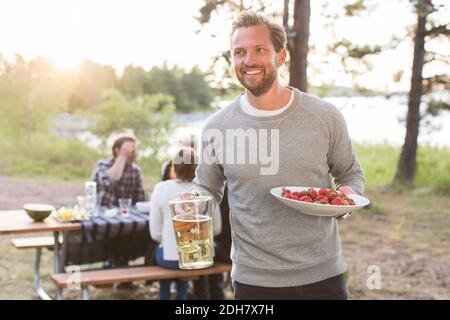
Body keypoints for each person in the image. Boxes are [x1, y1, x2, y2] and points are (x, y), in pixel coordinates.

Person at [186, 11, 365, 300]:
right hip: (253, 281)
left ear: (280, 56)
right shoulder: (217, 126)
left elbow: (350, 173)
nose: (248, 61)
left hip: (322, 276)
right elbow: (206, 187)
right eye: (239, 52)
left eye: (259, 50)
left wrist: (345, 198)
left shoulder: (324, 116)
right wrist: (190, 201)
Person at [150, 147, 222, 300]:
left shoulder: (161, 188)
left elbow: (155, 233)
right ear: (198, 168)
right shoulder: (207, 191)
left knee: (165, 253)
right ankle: (181, 297)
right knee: (185, 257)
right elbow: (216, 229)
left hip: (171, 260)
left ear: (173, 167)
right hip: (201, 258)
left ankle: (165, 296)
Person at [91, 136, 145, 207]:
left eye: (135, 151)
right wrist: (122, 156)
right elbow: (108, 183)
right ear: (117, 151)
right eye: (131, 151)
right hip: (103, 212)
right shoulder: (102, 165)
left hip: (126, 214)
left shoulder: (136, 170)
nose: (135, 155)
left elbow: (140, 200)